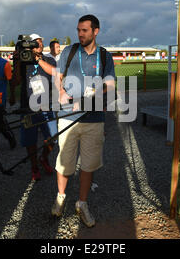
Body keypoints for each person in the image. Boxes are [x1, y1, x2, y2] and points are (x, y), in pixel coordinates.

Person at [51, 14, 116, 228]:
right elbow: (57, 76)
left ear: (95, 31)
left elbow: (111, 82)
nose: (80, 34)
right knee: (65, 162)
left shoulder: (104, 56)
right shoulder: (69, 52)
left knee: (88, 165)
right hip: (68, 116)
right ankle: (61, 197)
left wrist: (98, 90)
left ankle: (82, 203)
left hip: (94, 119)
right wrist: (60, 92)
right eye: (78, 30)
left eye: (85, 30)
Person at [12, 33, 58, 181]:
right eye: (37, 43)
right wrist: (18, 61)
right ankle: (34, 167)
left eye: (41, 43)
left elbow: (55, 73)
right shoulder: (23, 60)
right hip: (28, 107)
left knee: (52, 137)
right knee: (30, 141)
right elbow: (16, 81)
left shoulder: (48, 59)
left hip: (45, 105)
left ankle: (43, 158)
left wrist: (38, 59)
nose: (41, 45)